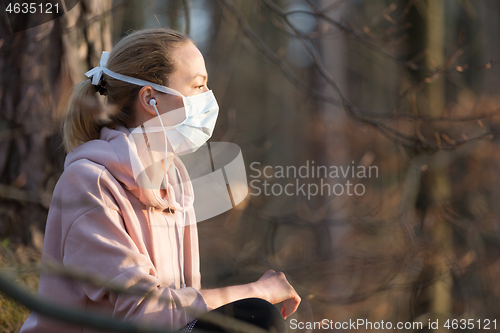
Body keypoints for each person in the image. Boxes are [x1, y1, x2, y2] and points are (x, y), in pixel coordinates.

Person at [19, 28, 301, 333]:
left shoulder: (175, 184)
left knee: (254, 317)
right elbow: (147, 313)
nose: (208, 99)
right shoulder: (89, 184)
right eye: (198, 86)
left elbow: (182, 315)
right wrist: (257, 291)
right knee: (258, 313)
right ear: (150, 99)